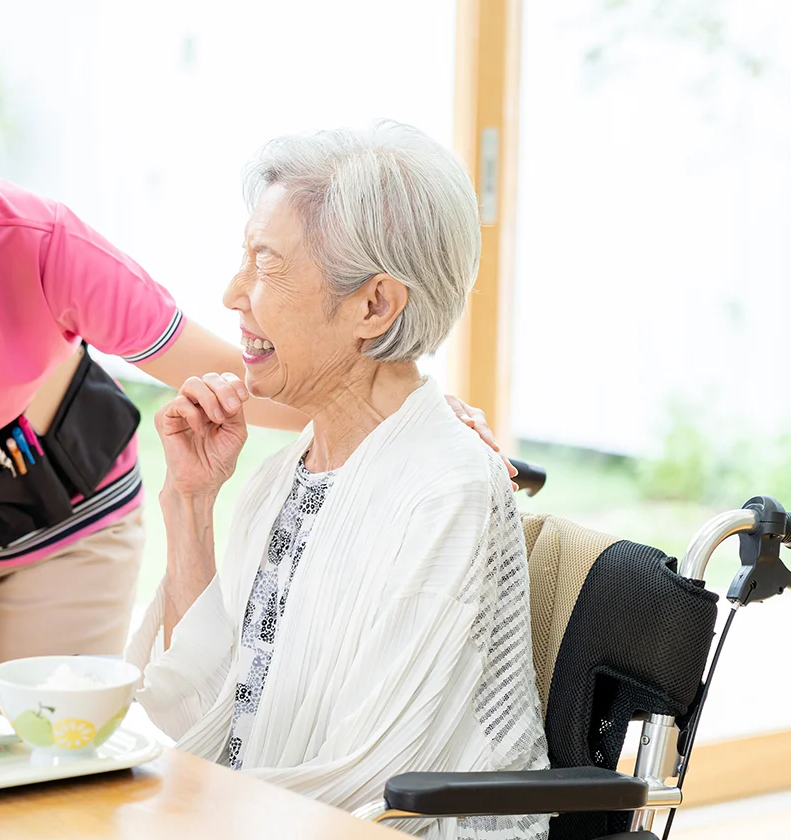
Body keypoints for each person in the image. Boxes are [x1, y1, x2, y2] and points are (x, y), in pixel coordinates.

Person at [0, 62, 509, 666]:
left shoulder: (42, 242)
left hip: (67, 515)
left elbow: (239, 379)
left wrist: (402, 411)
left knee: (52, 763)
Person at [126, 123, 547, 840]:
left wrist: (177, 810)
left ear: (374, 306)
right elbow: (205, 714)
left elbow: (370, 782)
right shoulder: (287, 472)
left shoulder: (445, 489)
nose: (232, 294)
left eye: (266, 265)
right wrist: (191, 503)